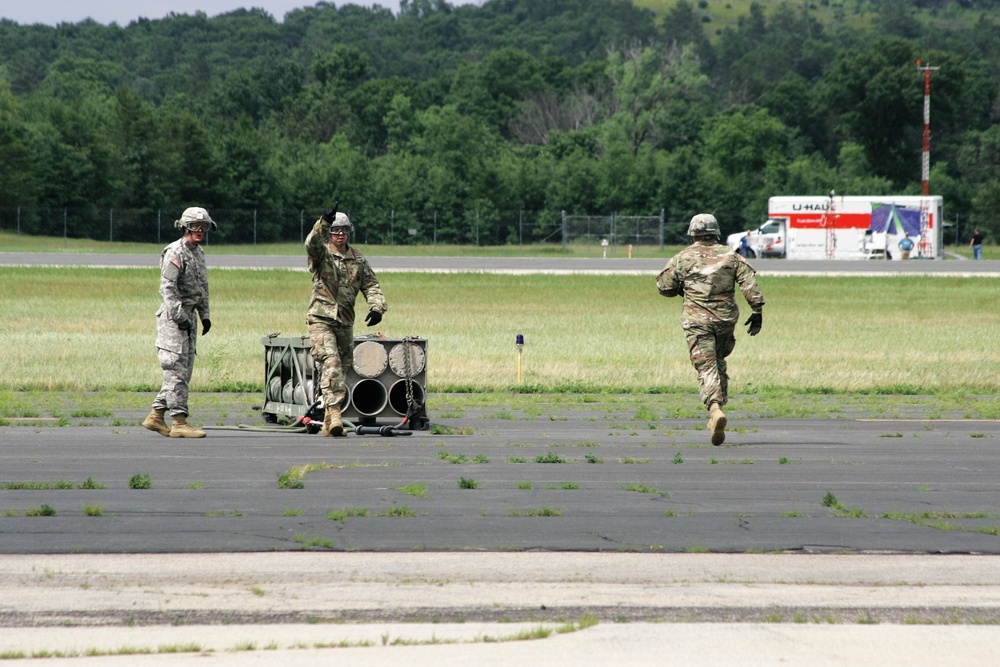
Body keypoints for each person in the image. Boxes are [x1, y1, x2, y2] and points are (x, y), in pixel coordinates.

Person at [656, 213, 765, 446]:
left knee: (706, 366)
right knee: (718, 362)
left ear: (692, 233)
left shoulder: (682, 258)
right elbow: (750, 285)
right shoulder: (731, 256)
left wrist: (682, 288)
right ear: (716, 232)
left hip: (697, 322)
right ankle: (717, 412)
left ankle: (715, 409)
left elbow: (664, 287)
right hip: (725, 321)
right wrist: (757, 312)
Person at [306, 207, 387, 436]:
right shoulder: (321, 254)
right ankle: (336, 415)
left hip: (345, 321)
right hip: (321, 318)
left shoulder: (358, 258)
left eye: (343, 231)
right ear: (329, 233)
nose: (340, 235)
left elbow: (371, 284)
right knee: (331, 362)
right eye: (335, 231)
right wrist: (322, 222)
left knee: (342, 368)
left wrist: (377, 307)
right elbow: (310, 243)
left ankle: (328, 422)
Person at [142, 207, 215, 438]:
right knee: (176, 371)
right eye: (195, 226)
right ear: (185, 228)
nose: (200, 231)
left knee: (183, 371)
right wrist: (179, 317)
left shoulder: (198, 252)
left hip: (189, 317)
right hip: (174, 320)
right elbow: (167, 289)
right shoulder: (175, 252)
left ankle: (155, 416)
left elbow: (202, 287)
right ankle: (179, 422)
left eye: (204, 227)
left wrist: (204, 315)